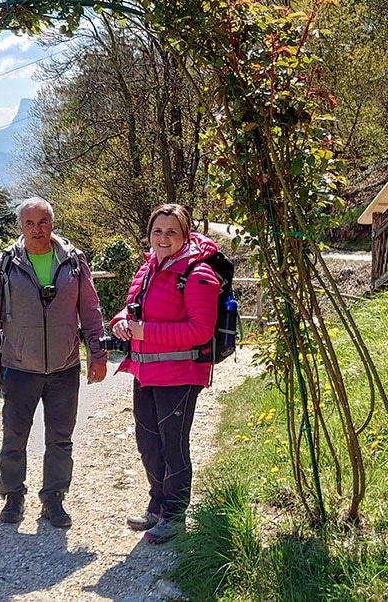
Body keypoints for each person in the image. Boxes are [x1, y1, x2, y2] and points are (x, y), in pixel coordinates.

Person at [0, 196, 108, 528]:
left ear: (52, 223)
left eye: (43, 222)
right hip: (19, 366)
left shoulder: (73, 261)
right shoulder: (4, 264)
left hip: (65, 367)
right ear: (20, 227)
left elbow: (90, 312)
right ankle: (13, 497)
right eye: (30, 223)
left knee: (60, 437)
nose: (37, 230)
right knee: (14, 436)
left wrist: (98, 353)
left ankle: (53, 498)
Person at [109, 203, 220, 544]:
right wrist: (120, 324)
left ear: (185, 235)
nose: (163, 237)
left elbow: (201, 330)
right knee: (148, 443)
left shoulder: (199, 274)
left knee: (173, 445)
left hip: (181, 372)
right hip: (145, 370)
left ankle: (173, 514)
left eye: (171, 231)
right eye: (158, 231)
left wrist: (145, 332)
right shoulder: (147, 270)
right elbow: (131, 310)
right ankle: (157, 504)